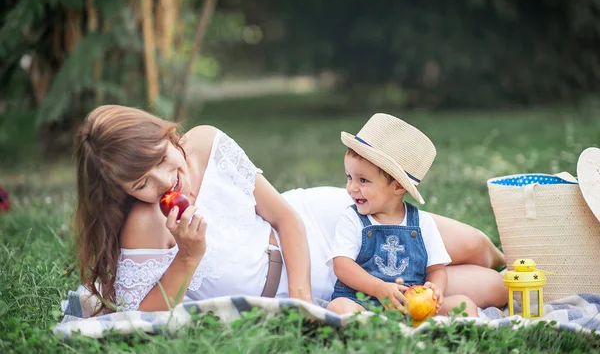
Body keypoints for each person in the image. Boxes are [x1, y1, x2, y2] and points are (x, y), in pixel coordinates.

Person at [73, 105, 507, 316]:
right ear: (120, 192)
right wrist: (188, 255)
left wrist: (301, 298)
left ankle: (530, 262)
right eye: (141, 183)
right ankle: (522, 283)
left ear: (163, 132)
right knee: (492, 288)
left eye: (161, 157)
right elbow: (139, 319)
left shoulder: (204, 143)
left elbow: (283, 216)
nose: (165, 180)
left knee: (475, 245)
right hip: (318, 283)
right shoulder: (145, 224)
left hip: (315, 226)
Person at [326, 113, 477, 316]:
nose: (351, 187)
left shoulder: (422, 222)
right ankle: (374, 329)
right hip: (362, 301)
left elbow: (436, 268)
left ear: (397, 186)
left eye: (363, 180)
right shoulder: (353, 219)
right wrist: (378, 288)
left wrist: (436, 288)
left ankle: (417, 329)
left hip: (412, 304)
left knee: (465, 304)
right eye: (349, 177)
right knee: (338, 308)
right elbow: (342, 266)